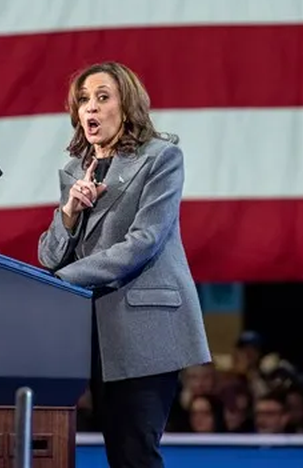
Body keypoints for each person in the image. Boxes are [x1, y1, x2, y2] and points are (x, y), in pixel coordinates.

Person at [38, 61, 211, 468]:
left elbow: (143, 242)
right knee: (120, 453)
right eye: (83, 100)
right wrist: (69, 212)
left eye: (102, 97)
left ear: (126, 104)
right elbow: (48, 255)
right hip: (95, 336)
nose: (91, 109)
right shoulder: (75, 170)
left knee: (135, 452)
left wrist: (60, 281)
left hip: (146, 329)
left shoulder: (160, 159)